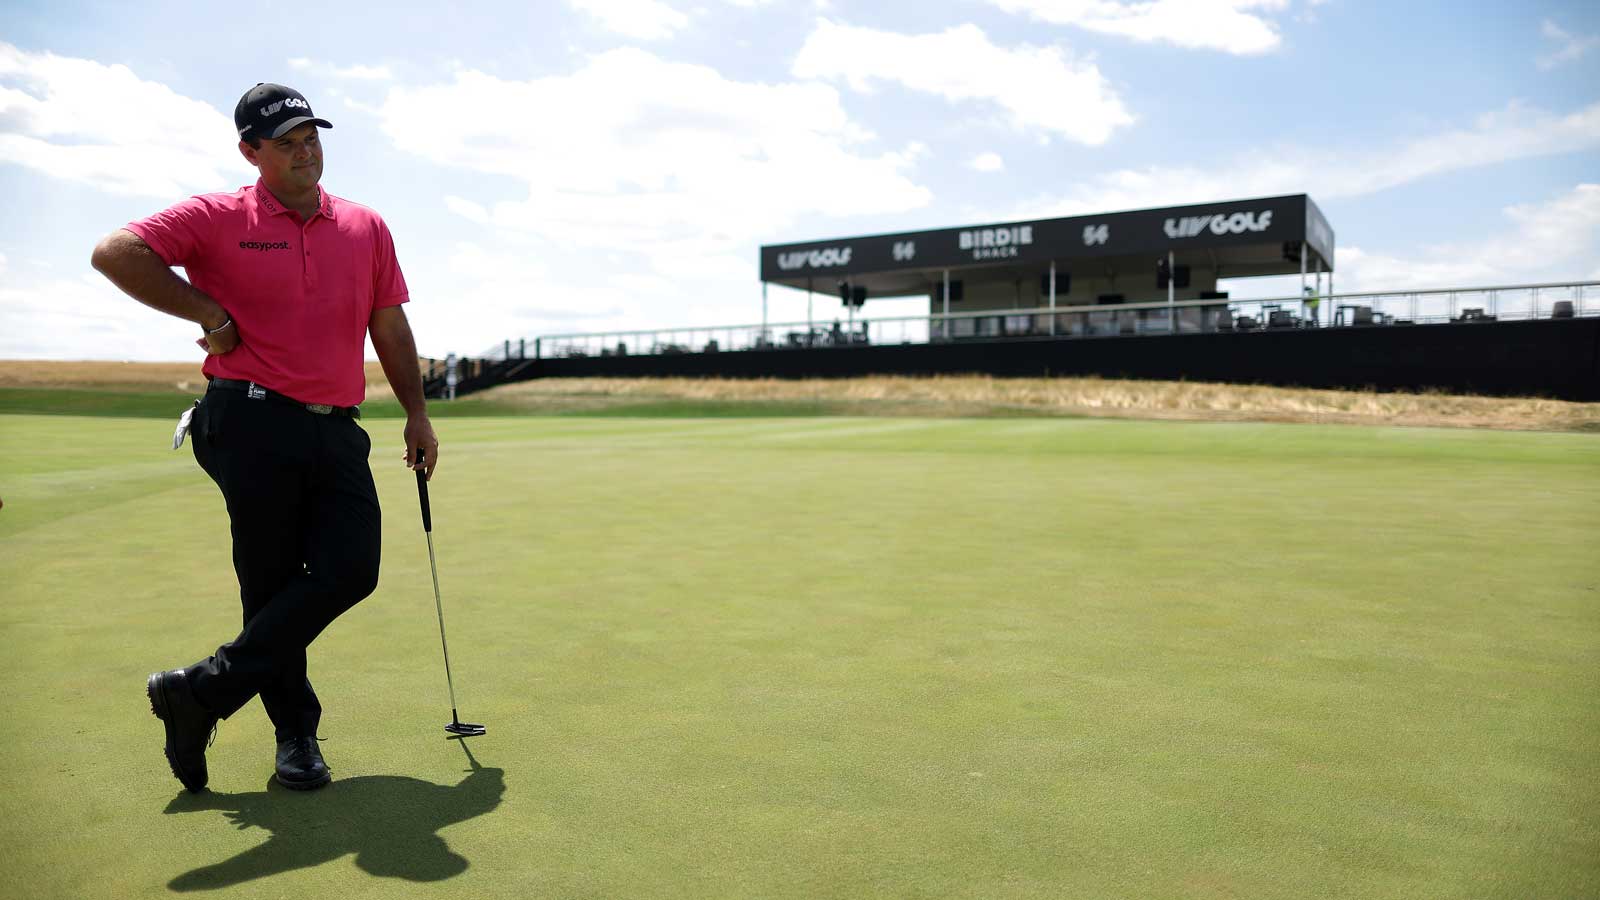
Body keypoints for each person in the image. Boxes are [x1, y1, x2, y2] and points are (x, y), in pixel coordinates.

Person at [90, 83, 438, 794]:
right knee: (271, 582)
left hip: (336, 425)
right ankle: (296, 738)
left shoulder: (365, 225)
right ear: (251, 152)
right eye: (287, 143)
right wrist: (210, 313)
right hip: (248, 419)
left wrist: (417, 412)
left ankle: (199, 692)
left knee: (353, 569)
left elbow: (389, 323)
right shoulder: (219, 215)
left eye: (312, 138)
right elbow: (115, 252)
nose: (306, 152)